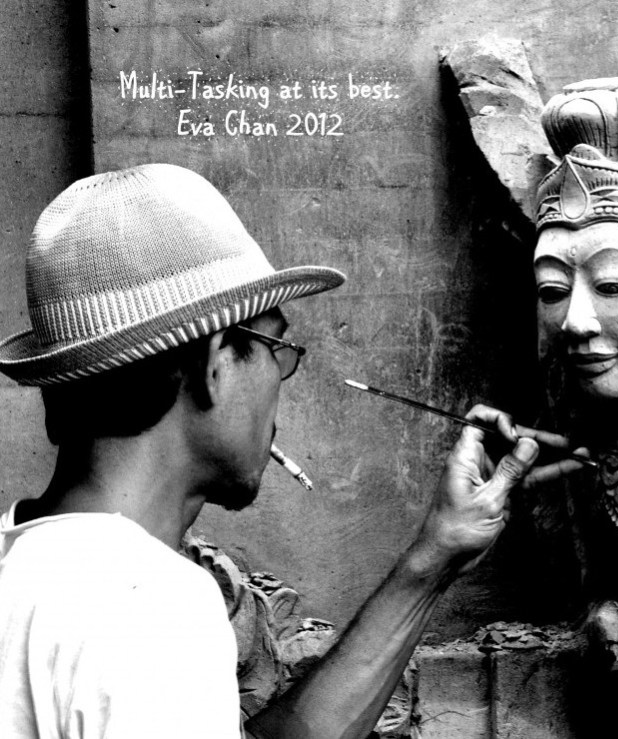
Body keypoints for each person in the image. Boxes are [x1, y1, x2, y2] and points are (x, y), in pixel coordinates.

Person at [0, 163, 581, 738]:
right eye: (276, 346)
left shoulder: (32, 575)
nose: (282, 375)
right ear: (216, 364)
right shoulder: (152, 611)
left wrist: (435, 556)